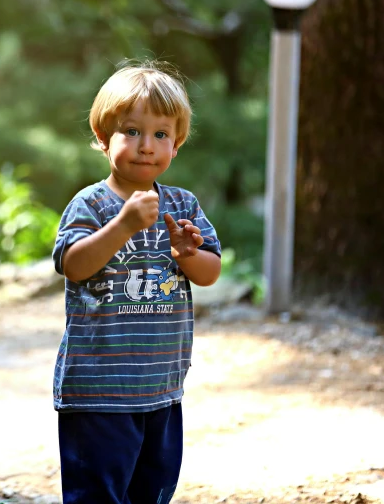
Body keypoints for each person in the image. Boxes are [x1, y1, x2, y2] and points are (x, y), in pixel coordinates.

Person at [52, 61, 222, 504]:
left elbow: (209, 273)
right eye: (131, 131)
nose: (147, 146)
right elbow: (74, 265)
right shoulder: (91, 204)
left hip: (161, 387)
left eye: (161, 134)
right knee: (99, 495)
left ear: (176, 145)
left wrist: (188, 253)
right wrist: (123, 226)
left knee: (152, 491)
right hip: (99, 392)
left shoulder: (183, 204)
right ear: (103, 138)